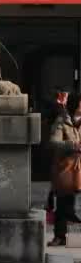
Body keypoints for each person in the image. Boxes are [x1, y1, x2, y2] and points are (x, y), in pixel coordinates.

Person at [49, 92, 81, 247]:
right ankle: (60, 236)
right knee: (62, 204)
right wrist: (72, 145)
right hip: (66, 170)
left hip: (79, 170)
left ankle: (71, 217)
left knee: (68, 204)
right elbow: (54, 143)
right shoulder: (62, 122)